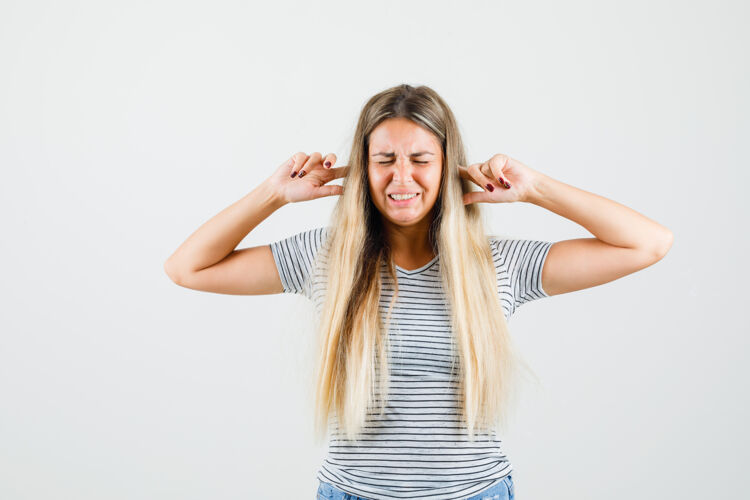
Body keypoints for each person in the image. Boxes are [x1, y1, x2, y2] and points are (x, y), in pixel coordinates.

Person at [164, 84, 673, 500]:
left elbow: (648, 244)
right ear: (363, 169)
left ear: (449, 166)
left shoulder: (497, 264)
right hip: (352, 493)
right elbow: (187, 267)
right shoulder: (326, 257)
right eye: (384, 158)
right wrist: (272, 194)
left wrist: (536, 188)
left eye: (420, 159)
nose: (400, 177)